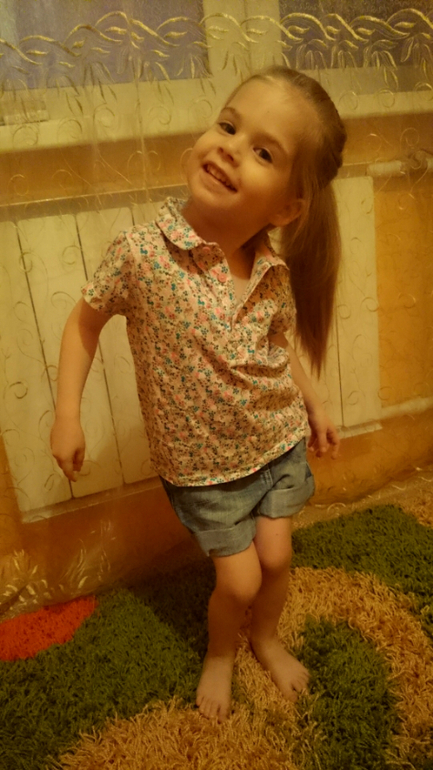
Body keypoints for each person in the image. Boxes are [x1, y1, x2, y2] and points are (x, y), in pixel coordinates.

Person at [51, 66, 346, 723]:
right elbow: (83, 323)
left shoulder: (271, 269)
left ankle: (265, 638)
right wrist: (68, 414)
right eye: (229, 125)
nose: (231, 147)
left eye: (263, 151)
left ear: (286, 208)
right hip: (205, 470)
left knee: (277, 557)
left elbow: (280, 348)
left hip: (276, 444)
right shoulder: (141, 254)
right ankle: (220, 654)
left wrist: (315, 403)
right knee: (239, 579)